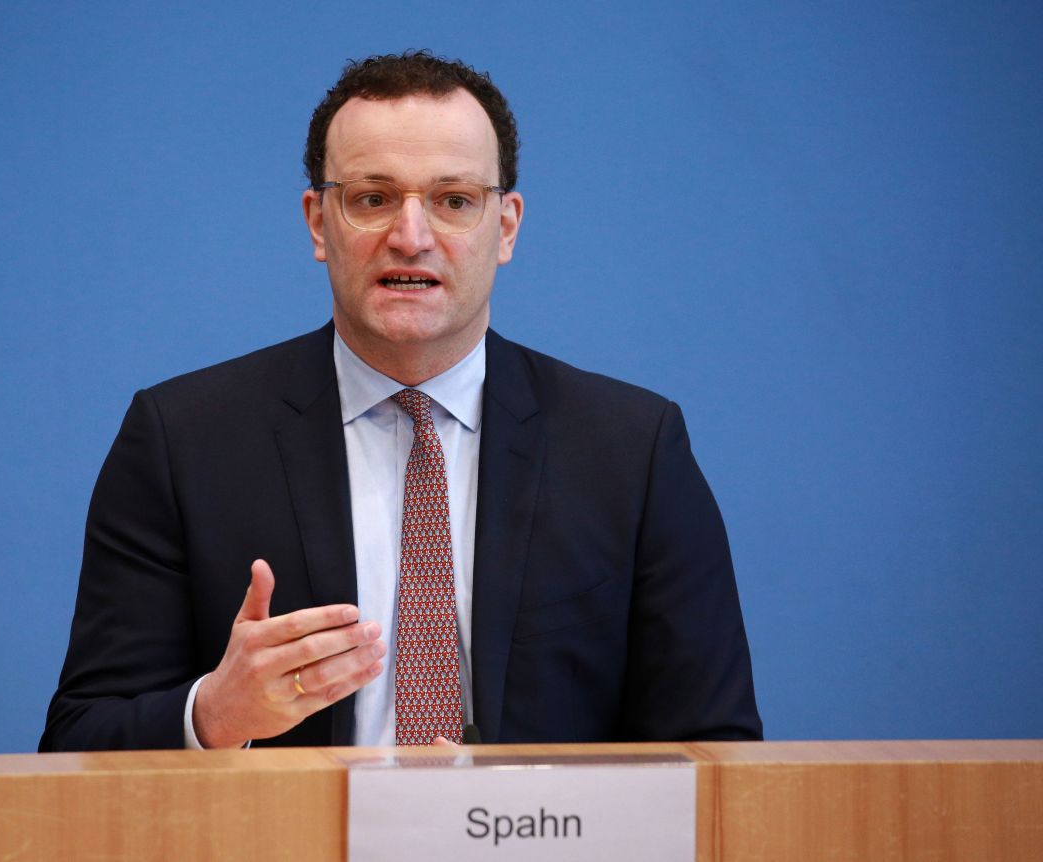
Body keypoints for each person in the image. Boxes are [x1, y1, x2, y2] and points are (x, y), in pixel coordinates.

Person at [40, 51, 762, 752]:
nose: (410, 237)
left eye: (453, 201)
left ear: (504, 226)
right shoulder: (182, 441)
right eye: (372, 199)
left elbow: (715, 748)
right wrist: (214, 716)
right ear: (319, 222)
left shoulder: (632, 450)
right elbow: (79, 740)